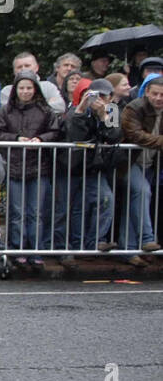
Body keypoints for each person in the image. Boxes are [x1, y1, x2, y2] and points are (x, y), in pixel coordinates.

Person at [0, 70, 62, 268]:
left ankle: (35, 250)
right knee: (17, 212)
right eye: (22, 88)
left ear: (35, 89)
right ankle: (17, 248)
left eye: (29, 88)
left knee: (36, 212)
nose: (26, 91)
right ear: (16, 90)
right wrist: (16, 139)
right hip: (14, 167)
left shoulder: (45, 110)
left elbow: (55, 131)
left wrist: (40, 139)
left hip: (39, 167)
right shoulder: (6, 110)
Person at [59, 79, 122, 267]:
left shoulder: (112, 111)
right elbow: (75, 138)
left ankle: (96, 241)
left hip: (95, 167)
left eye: (104, 96)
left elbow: (115, 137)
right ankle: (75, 246)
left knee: (106, 199)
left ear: (111, 97)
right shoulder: (78, 109)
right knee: (74, 208)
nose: (99, 100)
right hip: (73, 166)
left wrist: (104, 117)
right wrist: (80, 112)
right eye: (96, 95)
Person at [120, 73, 163, 266]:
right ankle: (147, 239)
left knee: (135, 203)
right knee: (142, 191)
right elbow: (135, 135)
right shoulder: (133, 107)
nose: (158, 98)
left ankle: (127, 250)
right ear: (146, 92)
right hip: (128, 161)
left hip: (150, 162)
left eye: (162, 95)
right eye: (155, 94)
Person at [0, 53, 65, 113]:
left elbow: (61, 107)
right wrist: (46, 104)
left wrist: (22, 107)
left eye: (27, 66)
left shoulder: (48, 86)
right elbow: (9, 113)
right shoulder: (7, 91)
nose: (23, 69)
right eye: (19, 67)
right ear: (14, 71)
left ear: (37, 68)